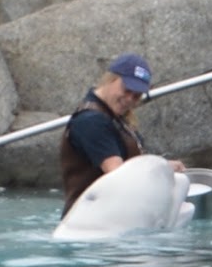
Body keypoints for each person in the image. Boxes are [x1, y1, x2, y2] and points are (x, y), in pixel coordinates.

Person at [59, 52, 183, 216]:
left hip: (112, 216)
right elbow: (120, 176)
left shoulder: (114, 117)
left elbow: (132, 166)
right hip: (89, 222)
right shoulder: (91, 121)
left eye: (137, 95)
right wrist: (162, 169)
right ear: (111, 79)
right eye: (127, 89)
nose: (130, 99)